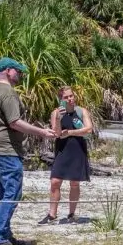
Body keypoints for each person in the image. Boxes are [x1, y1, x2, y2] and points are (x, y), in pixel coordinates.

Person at [0, 57, 57, 245]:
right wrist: (42, 132)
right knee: (12, 192)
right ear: (8, 71)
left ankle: (4, 234)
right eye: (18, 71)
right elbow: (14, 122)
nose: (21, 75)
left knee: (2, 193)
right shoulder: (7, 92)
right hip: (5, 149)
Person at [40, 85, 94, 224]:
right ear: (60, 99)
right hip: (62, 149)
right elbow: (56, 134)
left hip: (77, 148)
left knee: (74, 183)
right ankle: (52, 215)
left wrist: (70, 132)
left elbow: (88, 130)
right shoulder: (56, 112)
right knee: (55, 181)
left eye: (71, 96)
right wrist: (59, 119)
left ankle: (71, 213)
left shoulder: (82, 111)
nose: (70, 99)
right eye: (66, 97)